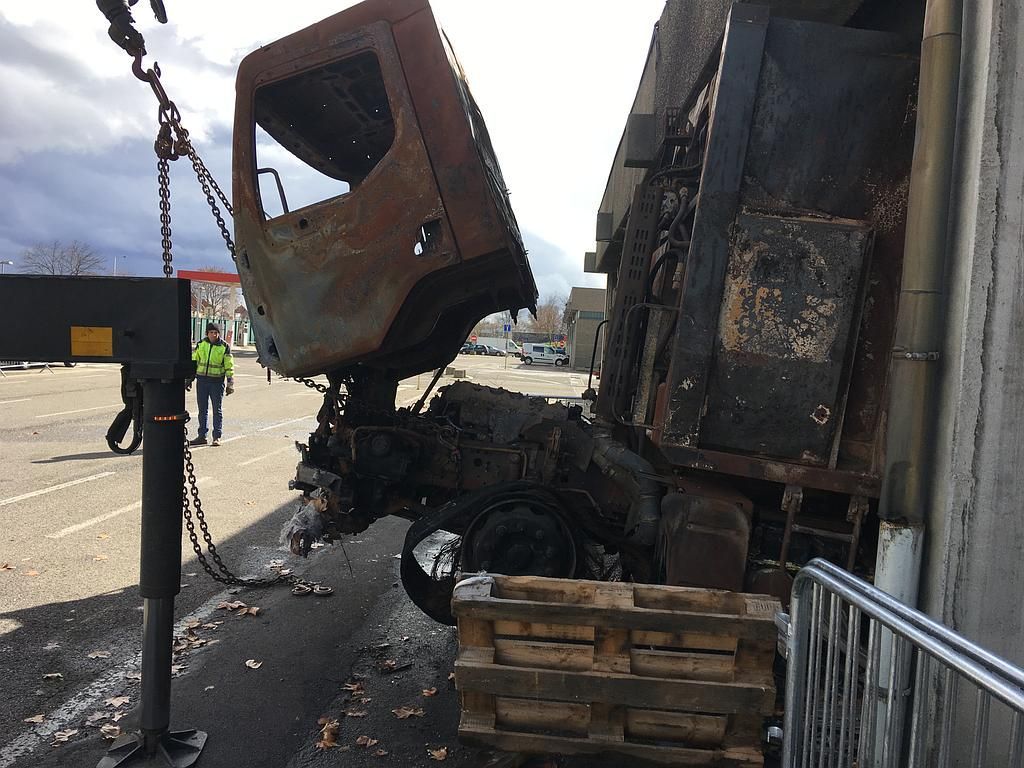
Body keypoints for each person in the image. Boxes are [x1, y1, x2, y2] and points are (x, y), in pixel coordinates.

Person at [190, 322, 234, 446]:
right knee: (202, 410)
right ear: (207, 333)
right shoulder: (201, 344)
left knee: (216, 410)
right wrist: (189, 378)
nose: (214, 335)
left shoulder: (224, 347)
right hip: (202, 381)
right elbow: (194, 361)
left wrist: (230, 382)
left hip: (217, 382)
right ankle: (202, 436)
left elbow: (229, 365)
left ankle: (216, 437)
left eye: (216, 332)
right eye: (211, 332)